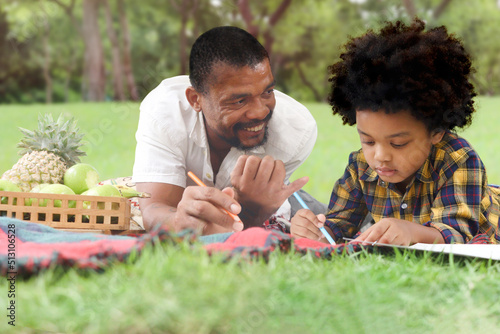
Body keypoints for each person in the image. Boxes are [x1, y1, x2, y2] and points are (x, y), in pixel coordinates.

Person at [291, 19, 500, 245]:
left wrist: (412, 232)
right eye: (368, 141)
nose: (379, 156)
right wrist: (315, 230)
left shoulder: (458, 161)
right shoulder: (360, 168)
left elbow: (456, 236)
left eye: (398, 143)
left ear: (436, 132)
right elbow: (338, 224)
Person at [133, 26, 321, 234]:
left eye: (268, 91)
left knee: (329, 224)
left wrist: (253, 209)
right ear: (196, 99)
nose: (260, 112)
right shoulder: (165, 112)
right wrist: (179, 222)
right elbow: (153, 209)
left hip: (282, 205)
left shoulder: (296, 131)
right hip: (186, 199)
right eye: (240, 100)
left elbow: (249, 222)